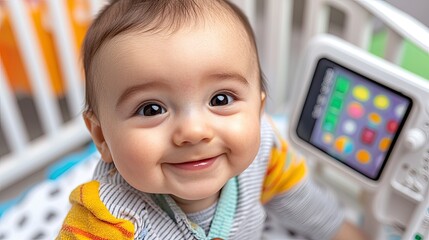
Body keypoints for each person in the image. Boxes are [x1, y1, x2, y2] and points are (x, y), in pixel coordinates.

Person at [57, 0, 368, 239]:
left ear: (258, 112)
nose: (193, 131)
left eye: (220, 100)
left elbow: (305, 204)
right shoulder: (107, 221)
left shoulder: (265, 152)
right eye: (151, 109)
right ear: (101, 138)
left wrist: (344, 232)